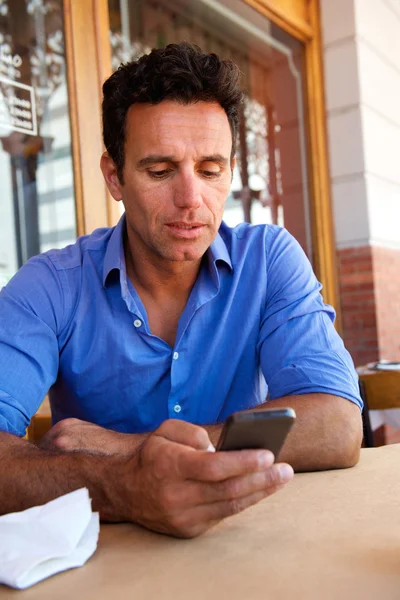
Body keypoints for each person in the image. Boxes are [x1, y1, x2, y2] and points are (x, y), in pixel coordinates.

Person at [0, 42, 362, 538]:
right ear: (114, 177)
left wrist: (130, 450)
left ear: (231, 171)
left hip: (254, 546)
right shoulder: (50, 285)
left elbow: (338, 424)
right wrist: (121, 486)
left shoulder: (269, 257)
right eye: (160, 171)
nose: (192, 199)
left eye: (211, 171)